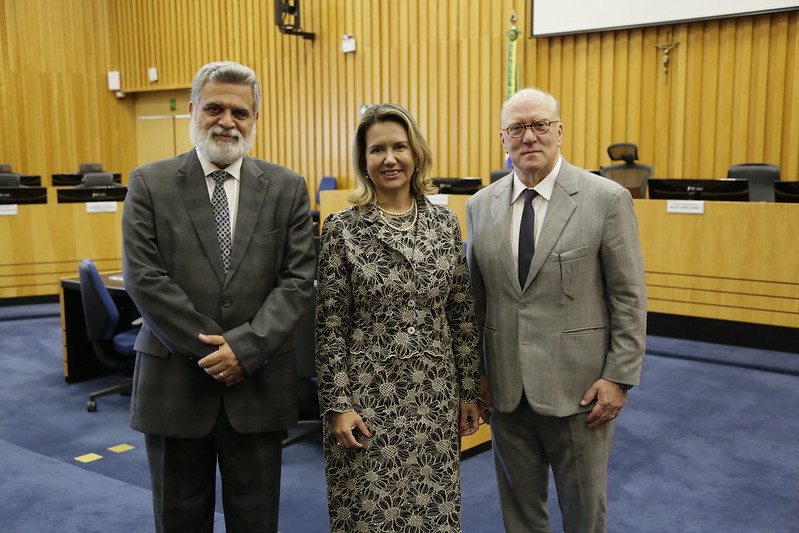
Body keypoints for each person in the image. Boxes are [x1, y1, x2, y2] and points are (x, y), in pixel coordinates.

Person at [121, 61, 316, 533]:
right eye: (214, 108)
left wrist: (244, 351)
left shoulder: (287, 187)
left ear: (254, 119)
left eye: (240, 112)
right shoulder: (149, 183)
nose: (227, 121)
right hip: (175, 384)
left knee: (256, 520)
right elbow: (145, 279)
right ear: (192, 110)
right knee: (179, 519)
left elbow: (297, 280)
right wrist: (215, 352)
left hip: (258, 384)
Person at [465, 88, 647, 533]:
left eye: (540, 125)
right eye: (517, 128)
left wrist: (619, 377)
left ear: (559, 131)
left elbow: (628, 296)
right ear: (502, 139)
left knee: (584, 516)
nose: (529, 136)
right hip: (506, 394)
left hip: (580, 394)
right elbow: (475, 302)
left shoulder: (605, 198)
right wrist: (477, 377)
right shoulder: (478, 207)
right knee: (520, 516)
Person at [314, 103, 482, 532]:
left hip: (434, 396)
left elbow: (461, 315)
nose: (390, 158)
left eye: (399, 147)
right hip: (368, 399)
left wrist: (469, 391)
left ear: (416, 153)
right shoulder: (341, 229)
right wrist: (338, 405)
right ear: (364, 161)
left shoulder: (445, 224)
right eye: (377, 150)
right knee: (371, 514)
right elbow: (330, 327)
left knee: (433, 514)